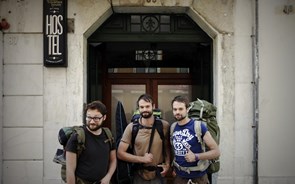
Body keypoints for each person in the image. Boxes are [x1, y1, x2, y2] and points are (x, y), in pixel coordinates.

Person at [117, 94, 171, 184]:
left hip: (158, 174)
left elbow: (167, 147)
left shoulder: (163, 126)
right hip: (139, 175)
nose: (145, 109)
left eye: (147, 106)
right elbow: (120, 153)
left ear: (153, 106)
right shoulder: (131, 128)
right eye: (142, 107)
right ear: (138, 108)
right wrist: (142, 159)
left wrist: (168, 164)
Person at [170, 96, 220, 184]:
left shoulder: (198, 126)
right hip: (179, 177)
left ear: (187, 109)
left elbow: (216, 152)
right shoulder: (173, 127)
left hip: (198, 178)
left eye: (181, 109)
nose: (177, 112)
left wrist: (196, 156)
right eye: (175, 109)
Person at [65, 100, 117, 184]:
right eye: (89, 117)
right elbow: (70, 171)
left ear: (104, 117)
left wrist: (108, 177)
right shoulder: (77, 138)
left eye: (96, 118)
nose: (92, 122)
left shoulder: (108, 135)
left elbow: (113, 160)